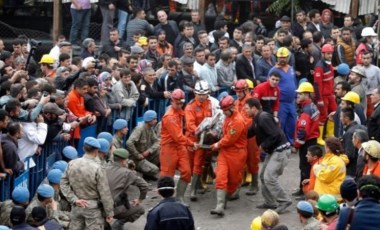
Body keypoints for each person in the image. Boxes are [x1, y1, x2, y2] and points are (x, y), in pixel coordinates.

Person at [245, 98, 292, 214]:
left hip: (280, 151)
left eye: (246, 108)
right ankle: (270, 202)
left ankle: (284, 200)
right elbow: (249, 132)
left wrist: (263, 145)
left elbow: (275, 134)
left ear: (254, 108)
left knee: (269, 177)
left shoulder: (263, 118)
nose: (244, 111)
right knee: (263, 176)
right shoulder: (256, 119)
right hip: (273, 151)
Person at [60, 137, 114, 229]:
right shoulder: (98, 168)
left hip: (77, 206)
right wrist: (109, 213)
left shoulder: (72, 163)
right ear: (97, 151)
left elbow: (63, 183)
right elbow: (104, 193)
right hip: (93, 209)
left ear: (83, 148)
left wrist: (74, 199)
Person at [208, 95, 247, 216]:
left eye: (225, 110)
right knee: (220, 176)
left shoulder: (237, 121)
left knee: (233, 180)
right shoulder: (228, 117)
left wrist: (217, 144)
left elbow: (230, 139)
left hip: (236, 153)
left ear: (231, 108)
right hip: (225, 152)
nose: (223, 113)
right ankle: (219, 205)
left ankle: (225, 199)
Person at [160, 89, 197, 204]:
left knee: (186, 171)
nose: (180, 105)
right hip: (169, 147)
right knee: (167, 175)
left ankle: (180, 198)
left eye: (181, 103)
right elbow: (178, 136)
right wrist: (191, 143)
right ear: (172, 102)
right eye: (178, 103)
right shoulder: (169, 117)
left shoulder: (180, 112)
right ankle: (166, 200)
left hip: (180, 146)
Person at [184, 80, 213, 201]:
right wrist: (199, 131)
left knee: (198, 163)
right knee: (190, 165)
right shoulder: (190, 107)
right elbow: (190, 124)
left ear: (208, 93)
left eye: (204, 94)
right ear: (195, 94)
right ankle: (197, 184)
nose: (201, 96)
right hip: (192, 138)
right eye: (199, 94)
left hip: (203, 139)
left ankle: (193, 191)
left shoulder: (210, 104)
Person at [106, 148, 148, 230]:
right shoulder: (127, 173)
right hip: (113, 209)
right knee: (140, 209)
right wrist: (140, 199)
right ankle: (118, 224)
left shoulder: (103, 168)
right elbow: (144, 185)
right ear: (123, 161)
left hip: (99, 207)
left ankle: (105, 223)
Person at [293, 82, 320, 198]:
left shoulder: (306, 110)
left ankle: (306, 192)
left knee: (305, 167)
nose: (298, 95)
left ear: (307, 95)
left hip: (307, 142)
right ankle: (302, 189)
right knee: (306, 167)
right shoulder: (311, 106)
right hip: (312, 140)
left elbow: (302, 132)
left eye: (300, 93)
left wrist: (296, 145)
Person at [268, 47, 297, 145]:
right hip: (281, 102)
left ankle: (290, 142)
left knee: (292, 123)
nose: (282, 59)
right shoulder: (273, 70)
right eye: (280, 57)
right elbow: (270, 86)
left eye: (284, 57)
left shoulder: (291, 68)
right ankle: (280, 143)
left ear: (288, 57)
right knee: (281, 124)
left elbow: (294, 82)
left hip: (291, 102)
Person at [126, 110, 160, 180]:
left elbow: (157, 141)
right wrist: (137, 155)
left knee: (159, 151)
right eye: (154, 119)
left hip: (144, 155)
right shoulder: (139, 129)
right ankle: (141, 172)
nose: (156, 121)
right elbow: (129, 143)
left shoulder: (150, 129)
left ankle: (147, 174)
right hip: (135, 158)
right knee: (155, 170)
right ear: (149, 120)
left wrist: (149, 151)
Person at [314, 44, 337, 145]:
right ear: (323, 54)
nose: (330, 55)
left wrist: (333, 93)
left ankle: (329, 135)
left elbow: (330, 81)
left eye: (331, 53)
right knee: (322, 116)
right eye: (328, 54)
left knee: (334, 113)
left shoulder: (329, 64)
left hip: (330, 95)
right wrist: (319, 100)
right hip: (323, 96)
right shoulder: (319, 67)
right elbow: (317, 85)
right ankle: (319, 138)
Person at [340, 107, 366, 177]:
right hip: (364, 167)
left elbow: (349, 155)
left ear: (347, 118)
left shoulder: (349, 133)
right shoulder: (364, 127)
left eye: (341, 116)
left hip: (353, 171)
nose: (340, 119)